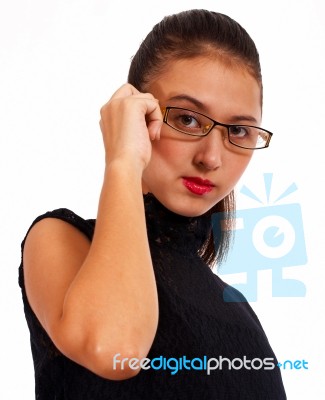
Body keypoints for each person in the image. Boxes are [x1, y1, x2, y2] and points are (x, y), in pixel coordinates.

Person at [19, 9, 287, 399]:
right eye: (188, 119)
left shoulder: (237, 310)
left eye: (239, 130)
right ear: (137, 112)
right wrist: (124, 162)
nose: (212, 157)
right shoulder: (60, 240)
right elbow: (114, 349)